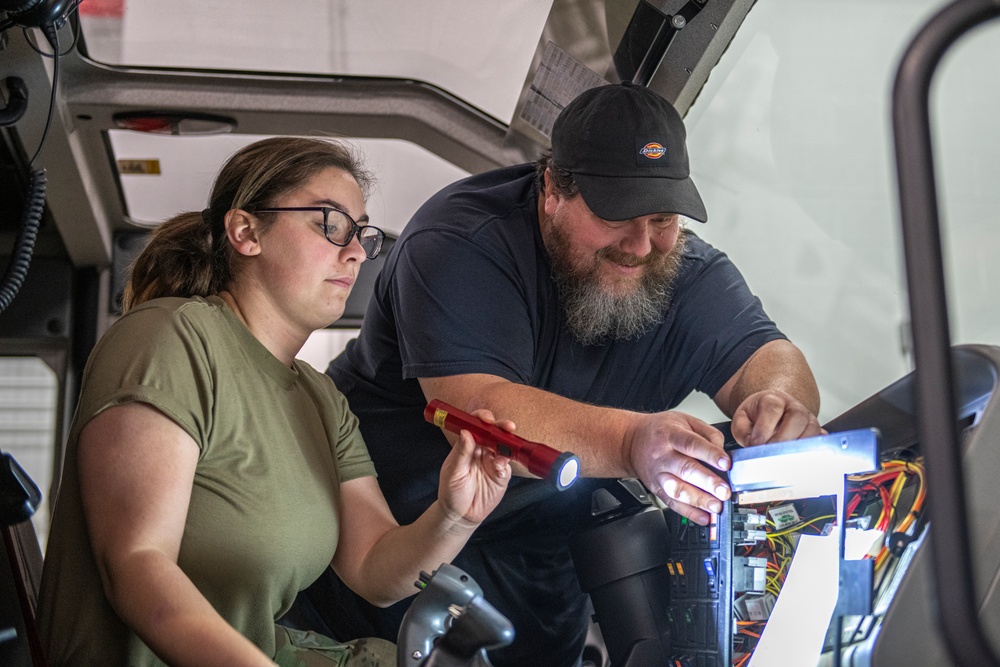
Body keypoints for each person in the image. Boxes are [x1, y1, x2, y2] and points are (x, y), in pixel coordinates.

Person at [297, 82, 825, 665]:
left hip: (542, 564)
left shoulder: (688, 272)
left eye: (664, 218)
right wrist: (632, 442)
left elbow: (770, 357)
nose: (642, 244)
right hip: (385, 537)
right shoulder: (462, 241)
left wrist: (780, 403)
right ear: (552, 189)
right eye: (615, 215)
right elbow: (477, 411)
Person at [36, 136, 512, 667]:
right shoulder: (171, 338)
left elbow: (377, 571)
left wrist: (456, 514)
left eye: (362, 234)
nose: (355, 251)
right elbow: (137, 565)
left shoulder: (319, 398)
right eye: (330, 224)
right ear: (246, 232)